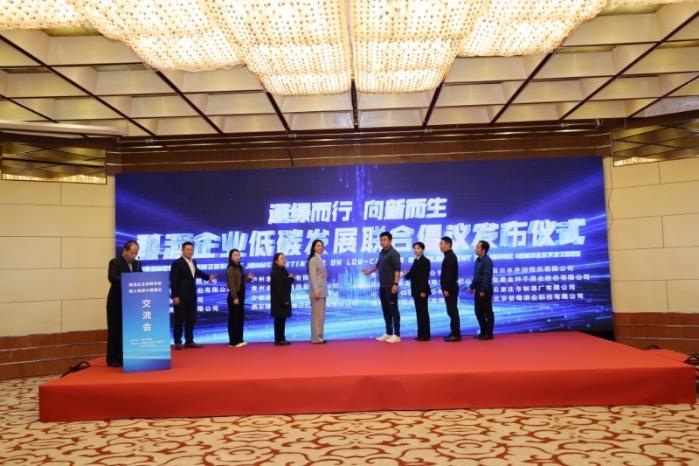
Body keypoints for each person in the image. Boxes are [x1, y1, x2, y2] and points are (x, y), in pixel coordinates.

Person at [169, 241, 216, 350]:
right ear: (182, 251)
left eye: (191, 250)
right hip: (180, 296)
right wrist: (175, 296)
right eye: (188, 250)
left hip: (192, 295)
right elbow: (174, 281)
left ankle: (189, 341)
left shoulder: (193, 262)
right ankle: (177, 342)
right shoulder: (177, 263)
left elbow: (197, 272)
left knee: (191, 319)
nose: (190, 252)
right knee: (179, 319)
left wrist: (208, 277)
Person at [106, 240, 143, 367]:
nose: (134, 256)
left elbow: (142, 279)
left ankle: (126, 356)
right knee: (115, 330)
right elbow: (112, 277)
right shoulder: (115, 262)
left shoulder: (137, 264)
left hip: (131, 304)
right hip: (116, 302)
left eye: (136, 253)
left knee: (128, 330)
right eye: (132, 253)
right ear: (125, 250)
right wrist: (130, 279)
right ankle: (113, 358)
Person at [362, 231, 401, 343]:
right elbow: (378, 265)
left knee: (393, 310)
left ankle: (397, 335)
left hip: (391, 286)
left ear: (390, 241)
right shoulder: (382, 252)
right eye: (381, 240)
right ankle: (388, 333)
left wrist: (395, 284)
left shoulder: (394, 253)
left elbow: (397, 269)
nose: (382, 242)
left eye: (384, 240)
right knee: (385, 310)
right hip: (382, 286)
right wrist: (369, 271)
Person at [402, 241, 432, 341]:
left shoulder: (425, 261)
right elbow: (412, 274)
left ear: (422, 250)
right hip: (415, 291)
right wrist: (405, 275)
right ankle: (420, 334)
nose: (416, 250)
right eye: (414, 248)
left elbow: (424, 277)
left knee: (423, 313)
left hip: (422, 291)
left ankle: (425, 335)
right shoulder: (416, 261)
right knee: (419, 313)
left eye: (418, 248)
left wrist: (423, 291)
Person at [226, 248, 253, 348]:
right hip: (234, 297)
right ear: (231, 257)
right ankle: (233, 342)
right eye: (235, 255)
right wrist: (235, 297)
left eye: (238, 255)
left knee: (240, 319)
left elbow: (241, 281)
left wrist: (248, 279)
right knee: (234, 320)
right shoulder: (230, 269)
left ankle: (239, 339)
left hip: (241, 296)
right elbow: (231, 284)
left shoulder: (239, 267)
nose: (237, 257)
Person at [468, 240, 495, 340]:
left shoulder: (487, 261)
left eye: (477, 247)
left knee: (487, 312)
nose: (475, 249)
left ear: (483, 250)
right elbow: (476, 276)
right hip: (478, 288)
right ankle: (483, 332)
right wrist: (472, 287)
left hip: (485, 289)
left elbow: (487, 277)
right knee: (478, 311)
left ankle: (489, 333)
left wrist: (483, 290)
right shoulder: (478, 260)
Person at [270, 252, 295, 346]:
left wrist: (290, 279)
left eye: (284, 258)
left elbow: (286, 285)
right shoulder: (276, 272)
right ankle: (278, 339)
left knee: (282, 320)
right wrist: (284, 300)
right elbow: (279, 288)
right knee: (279, 320)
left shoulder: (283, 271)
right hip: (279, 300)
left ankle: (282, 338)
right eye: (281, 258)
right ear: (276, 261)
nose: (284, 260)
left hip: (283, 299)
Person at [307, 239, 328, 344]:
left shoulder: (319, 259)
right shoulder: (313, 260)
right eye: (318, 246)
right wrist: (316, 290)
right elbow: (313, 276)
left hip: (322, 290)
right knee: (317, 316)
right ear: (314, 248)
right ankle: (316, 338)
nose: (320, 247)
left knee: (321, 316)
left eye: (321, 246)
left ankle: (319, 337)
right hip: (317, 291)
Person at [440, 236, 461, 342]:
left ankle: (456, 334)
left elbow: (449, 275)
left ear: (448, 244)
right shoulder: (448, 256)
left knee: (452, 311)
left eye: (442, 244)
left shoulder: (450, 257)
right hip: (450, 288)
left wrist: (446, 288)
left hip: (450, 289)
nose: (440, 246)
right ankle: (454, 332)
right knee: (451, 311)